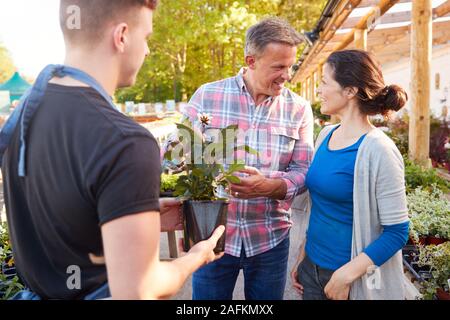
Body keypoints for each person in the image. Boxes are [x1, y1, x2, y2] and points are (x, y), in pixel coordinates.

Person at [0, 0, 223, 300]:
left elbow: (63, 216)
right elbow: (139, 290)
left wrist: (136, 212)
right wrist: (197, 256)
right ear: (121, 36)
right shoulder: (127, 141)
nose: (146, 51)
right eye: (146, 37)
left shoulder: (23, 116)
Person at [179, 17, 314, 300]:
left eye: (289, 66)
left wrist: (270, 186)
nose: (286, 75)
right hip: (213, 239)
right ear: (250, 61)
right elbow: (179, 153)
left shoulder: (298, 109)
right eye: (278, 67)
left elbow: (304, 170)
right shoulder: (208, 95)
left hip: (270, 240)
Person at [291, 50, 410, 300]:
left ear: (350, 91)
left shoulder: (380, 150)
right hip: (311, 268)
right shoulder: (326, 135)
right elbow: (320, 204)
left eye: (324, 82)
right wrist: (304, 254)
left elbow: (397, 232)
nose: (319, 90)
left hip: (351, 280)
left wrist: (345, 276)